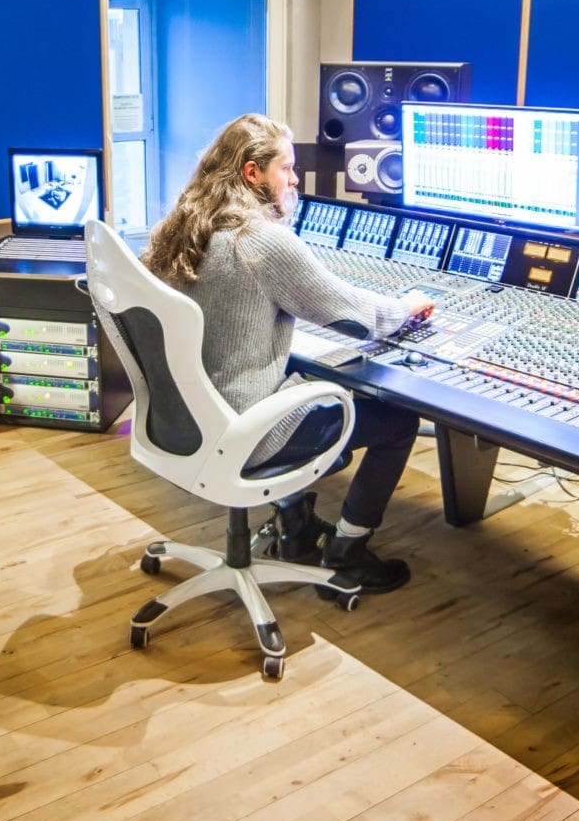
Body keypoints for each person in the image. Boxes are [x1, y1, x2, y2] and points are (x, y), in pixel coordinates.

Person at [143, 113, 435, 593]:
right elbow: (355, 316)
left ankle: (295, 527)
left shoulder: (179, 229)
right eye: (287, 168)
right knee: (397, 421)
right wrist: (408, 307)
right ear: (252, 173)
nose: (295, 179)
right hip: (244, 432)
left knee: (294, 381)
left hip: (179, 421)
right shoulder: (261, 242)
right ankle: (348, 550)